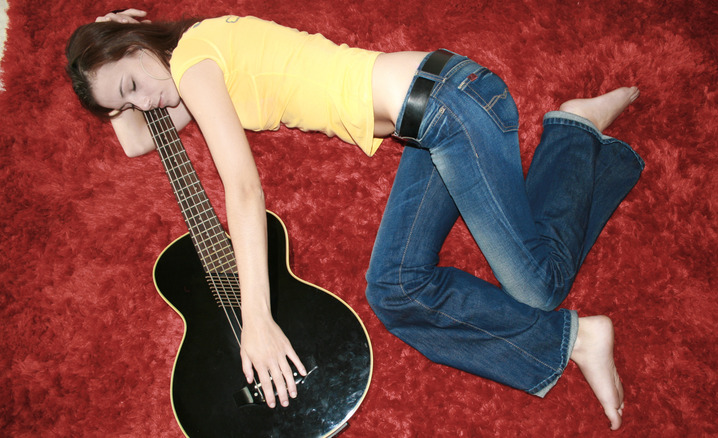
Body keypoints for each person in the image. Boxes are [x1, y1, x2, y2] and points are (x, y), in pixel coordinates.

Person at [67, 8, 644, 430]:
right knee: (394, 289)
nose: (143, 103)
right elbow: (139, 143)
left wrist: (257, 320)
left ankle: (573, 147)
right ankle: (576, 136)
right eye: (126, 102)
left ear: (136, 40)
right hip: (430, 123)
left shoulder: (192, 60)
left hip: (452, 105)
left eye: (133, 86)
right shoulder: (192, 68)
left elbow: (242, 189)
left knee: (539, 288)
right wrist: (112, 73)